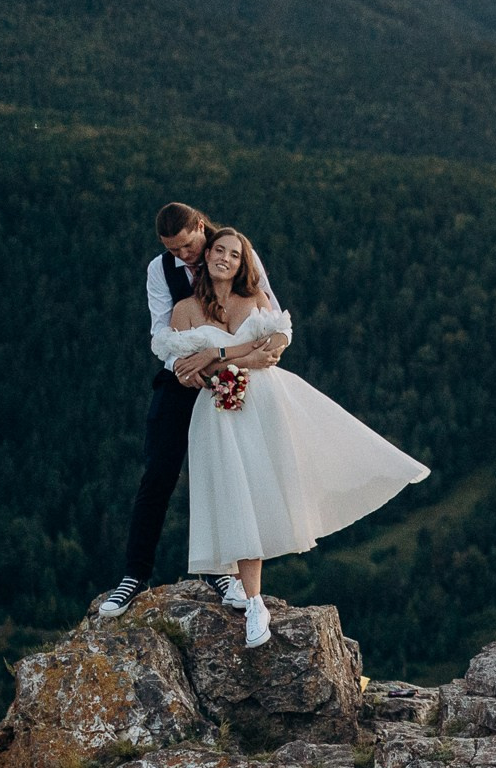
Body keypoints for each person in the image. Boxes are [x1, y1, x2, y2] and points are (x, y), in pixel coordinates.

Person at [153, 227, 430, 647]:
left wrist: (220, 354)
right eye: (219, 251)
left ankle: (253, 597)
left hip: (266, 404)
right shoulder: (185, 311)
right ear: (207, 256)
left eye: (234, 253)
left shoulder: (256, 301)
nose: (225, 258)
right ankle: (254, 603)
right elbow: (192, 370)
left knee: (275, 485)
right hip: (220, 413)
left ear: (244, 262)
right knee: (237, 497)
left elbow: (274, 350)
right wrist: (229, 360)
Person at [92, 202, 284, 618]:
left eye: (186, 246)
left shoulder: (234, 252)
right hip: (182, 381)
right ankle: (133, 575)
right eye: (173, 250)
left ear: (201, 227)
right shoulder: (158, 270)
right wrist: (181, 366)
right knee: (160, 472)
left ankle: (221, 572)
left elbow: (272, 323)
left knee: (227, 475)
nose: (183, 256)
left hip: (235, 377)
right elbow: (160, 330)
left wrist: (228, 362)